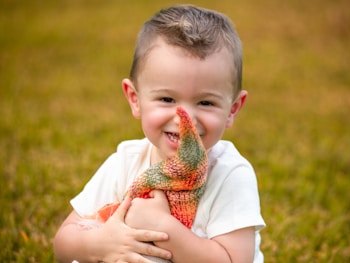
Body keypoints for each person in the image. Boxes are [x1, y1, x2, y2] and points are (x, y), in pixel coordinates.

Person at [54, 4, 265, 263]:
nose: (184, 118)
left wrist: (162, 225)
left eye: (206, 103)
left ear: (232, 109)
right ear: (135, 99)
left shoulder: (230, 174)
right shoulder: (126, 160)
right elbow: (64, 243)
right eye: (167, 98)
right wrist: (101, 244)